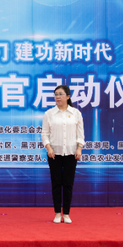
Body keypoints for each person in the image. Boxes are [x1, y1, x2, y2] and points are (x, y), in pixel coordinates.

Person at [41, 85, 84, 224]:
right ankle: (57, 213)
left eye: (60, 94)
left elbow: (80, 134)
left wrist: (79, 148)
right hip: (54, 153)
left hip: (71, 153)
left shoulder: (76, 113)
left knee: (68, 184)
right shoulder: (49, 114)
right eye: (55, 94)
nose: (57, 97)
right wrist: (48, 148)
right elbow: (45, 134)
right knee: (56, 183)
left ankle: (66, 214)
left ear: (68, 96)